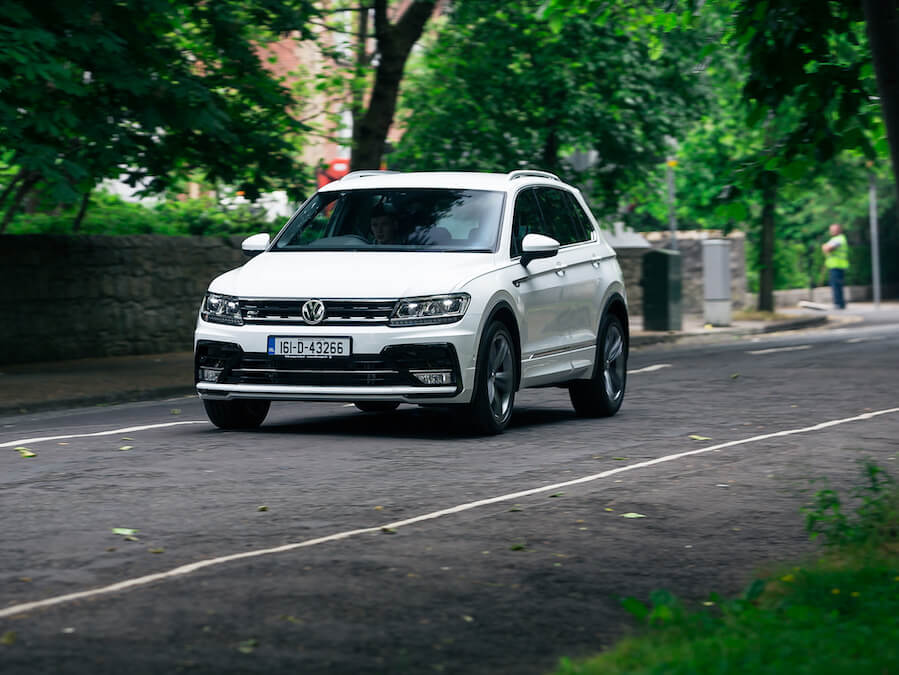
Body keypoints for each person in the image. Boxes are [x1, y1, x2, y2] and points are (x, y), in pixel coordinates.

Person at [821, 223, 849, 309]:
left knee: (836, 285)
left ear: (839, 230)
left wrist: (825, 247)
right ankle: (840, 303)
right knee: (837, 285)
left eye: (834, 229)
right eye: (831, 229)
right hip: (835, 266)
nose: (832, 231)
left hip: (837, 266)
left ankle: (838, 303)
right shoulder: (835, 239)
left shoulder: (839, 239)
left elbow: (828, 248)